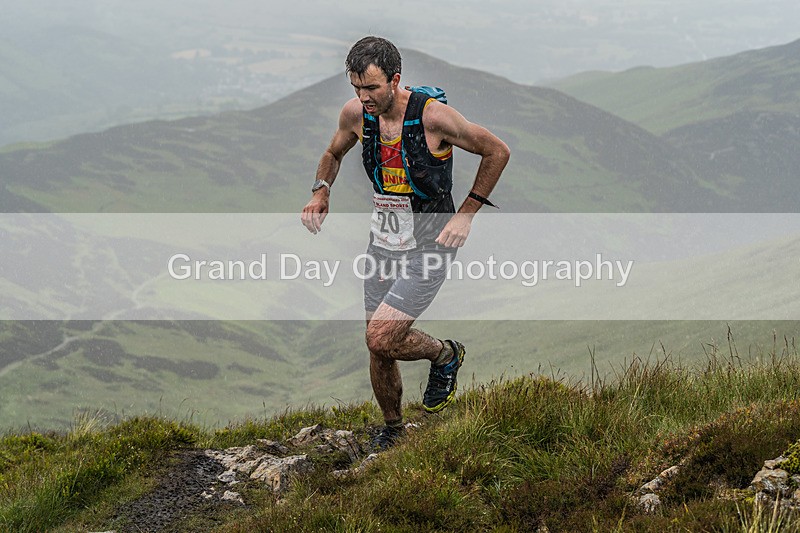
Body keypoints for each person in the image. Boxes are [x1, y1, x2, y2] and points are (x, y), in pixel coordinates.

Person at [301, 36, 509, 451]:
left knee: (380, 336)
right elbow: (333, 152)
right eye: (357, 88)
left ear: (395, 80)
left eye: (372, 88)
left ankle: (445, 355)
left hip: (430, 243)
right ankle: (393, 430)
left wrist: (466, 215)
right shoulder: (357, 114)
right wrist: (321, 190)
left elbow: (496, 151)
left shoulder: (435, 119)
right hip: (384, 243)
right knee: (377, 345)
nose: (364, 98)